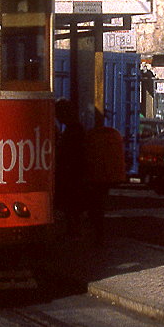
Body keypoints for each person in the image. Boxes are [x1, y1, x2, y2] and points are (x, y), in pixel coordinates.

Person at [82, 109, 125, 245]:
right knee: (99, 206)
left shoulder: (92, 135)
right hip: (107, 177)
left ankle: (96, 235)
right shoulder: (113, 134)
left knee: (95, 207)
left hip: (95, 177)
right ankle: (98, 234)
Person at [54, 99, 86, 237]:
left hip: (71, 174)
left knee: (71, 204)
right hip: (75, 173)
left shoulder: (73, 130)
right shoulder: (76, 128)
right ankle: (73, 229)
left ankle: (73, 229)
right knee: (72, 204)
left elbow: (69, 153)